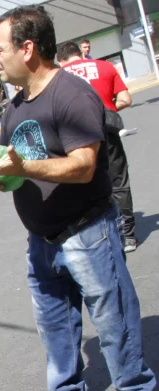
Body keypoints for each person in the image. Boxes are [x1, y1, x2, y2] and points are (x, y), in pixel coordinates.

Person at [0, 5, 155, 391]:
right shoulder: (15, 105)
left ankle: (134, 389)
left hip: (87, 230)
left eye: (0, 50)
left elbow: (83, 166)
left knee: (112, 315)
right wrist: (1, 178)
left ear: (28, 48)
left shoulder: (71, 94)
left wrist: (21, 170)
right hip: (42, 238)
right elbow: (13, 161)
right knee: (53, 321)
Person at [57, 41, 139, 252]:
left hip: (75, 137)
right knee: (119, 181)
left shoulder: (57, 76)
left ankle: (98, 235)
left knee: (84, 184)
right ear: (79, 53)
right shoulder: (105, 67)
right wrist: (107, 107)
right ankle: (128, 236)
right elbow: (125, 99)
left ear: (61, 59)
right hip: (107, 131)